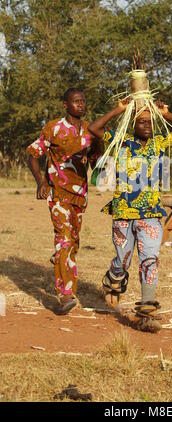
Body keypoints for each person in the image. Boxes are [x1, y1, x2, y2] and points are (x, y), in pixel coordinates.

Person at [88, 99, 172, 331]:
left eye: (150, 122)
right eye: (142, 121)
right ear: (132, 123)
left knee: (150, 259)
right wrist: (119, 109)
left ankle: (147, 310)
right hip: (123, 213)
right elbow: (93, 129)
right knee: (123, 261)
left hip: (151, 214)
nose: (147, 125)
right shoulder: (120, 141)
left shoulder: (159, 142)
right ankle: (114, 279)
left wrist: (166, 114)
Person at [27, 88, 101, 315]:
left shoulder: (91, 130)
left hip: (80, 195)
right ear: (65, 105)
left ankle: (60, 257)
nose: (80, 105)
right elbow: (32, 154)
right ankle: (65, 295)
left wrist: (102, 156)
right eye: (76, 101)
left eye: (83, 101)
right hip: (57, 193)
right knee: (65, 239)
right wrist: (41, 181)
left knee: (73, 242)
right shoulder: (53, 128)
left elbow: (95, 162)